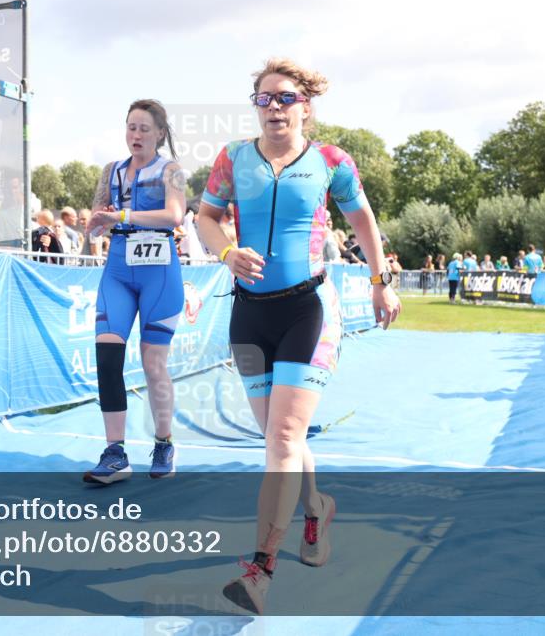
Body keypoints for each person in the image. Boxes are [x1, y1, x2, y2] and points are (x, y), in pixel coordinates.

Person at [195, 59, 400, 615]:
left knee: (284, 439)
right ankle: (316, 508)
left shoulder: (331, 161)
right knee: (280, 441)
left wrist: (382, 284)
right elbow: (205, 217)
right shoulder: (232, 159)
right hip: (249, 314)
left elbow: (364, 223)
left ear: (305, 105)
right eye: (263, 99)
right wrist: (225, 251)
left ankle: (260, 569)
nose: (274, 108)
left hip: (309, 310)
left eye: (284, 98)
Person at [83, 99, 186, 484]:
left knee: (153, 364)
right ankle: (115, 454)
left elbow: (174, 216)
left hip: (159, 273)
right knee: (107, 359)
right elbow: (95, 223)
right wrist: (94, 224)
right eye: (131, 127)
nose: (136, 135)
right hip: (118, 272)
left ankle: (163, 442)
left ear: (160, 133)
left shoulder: (171, 170)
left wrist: (121, 216)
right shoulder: (110, 171)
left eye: (144, 128)